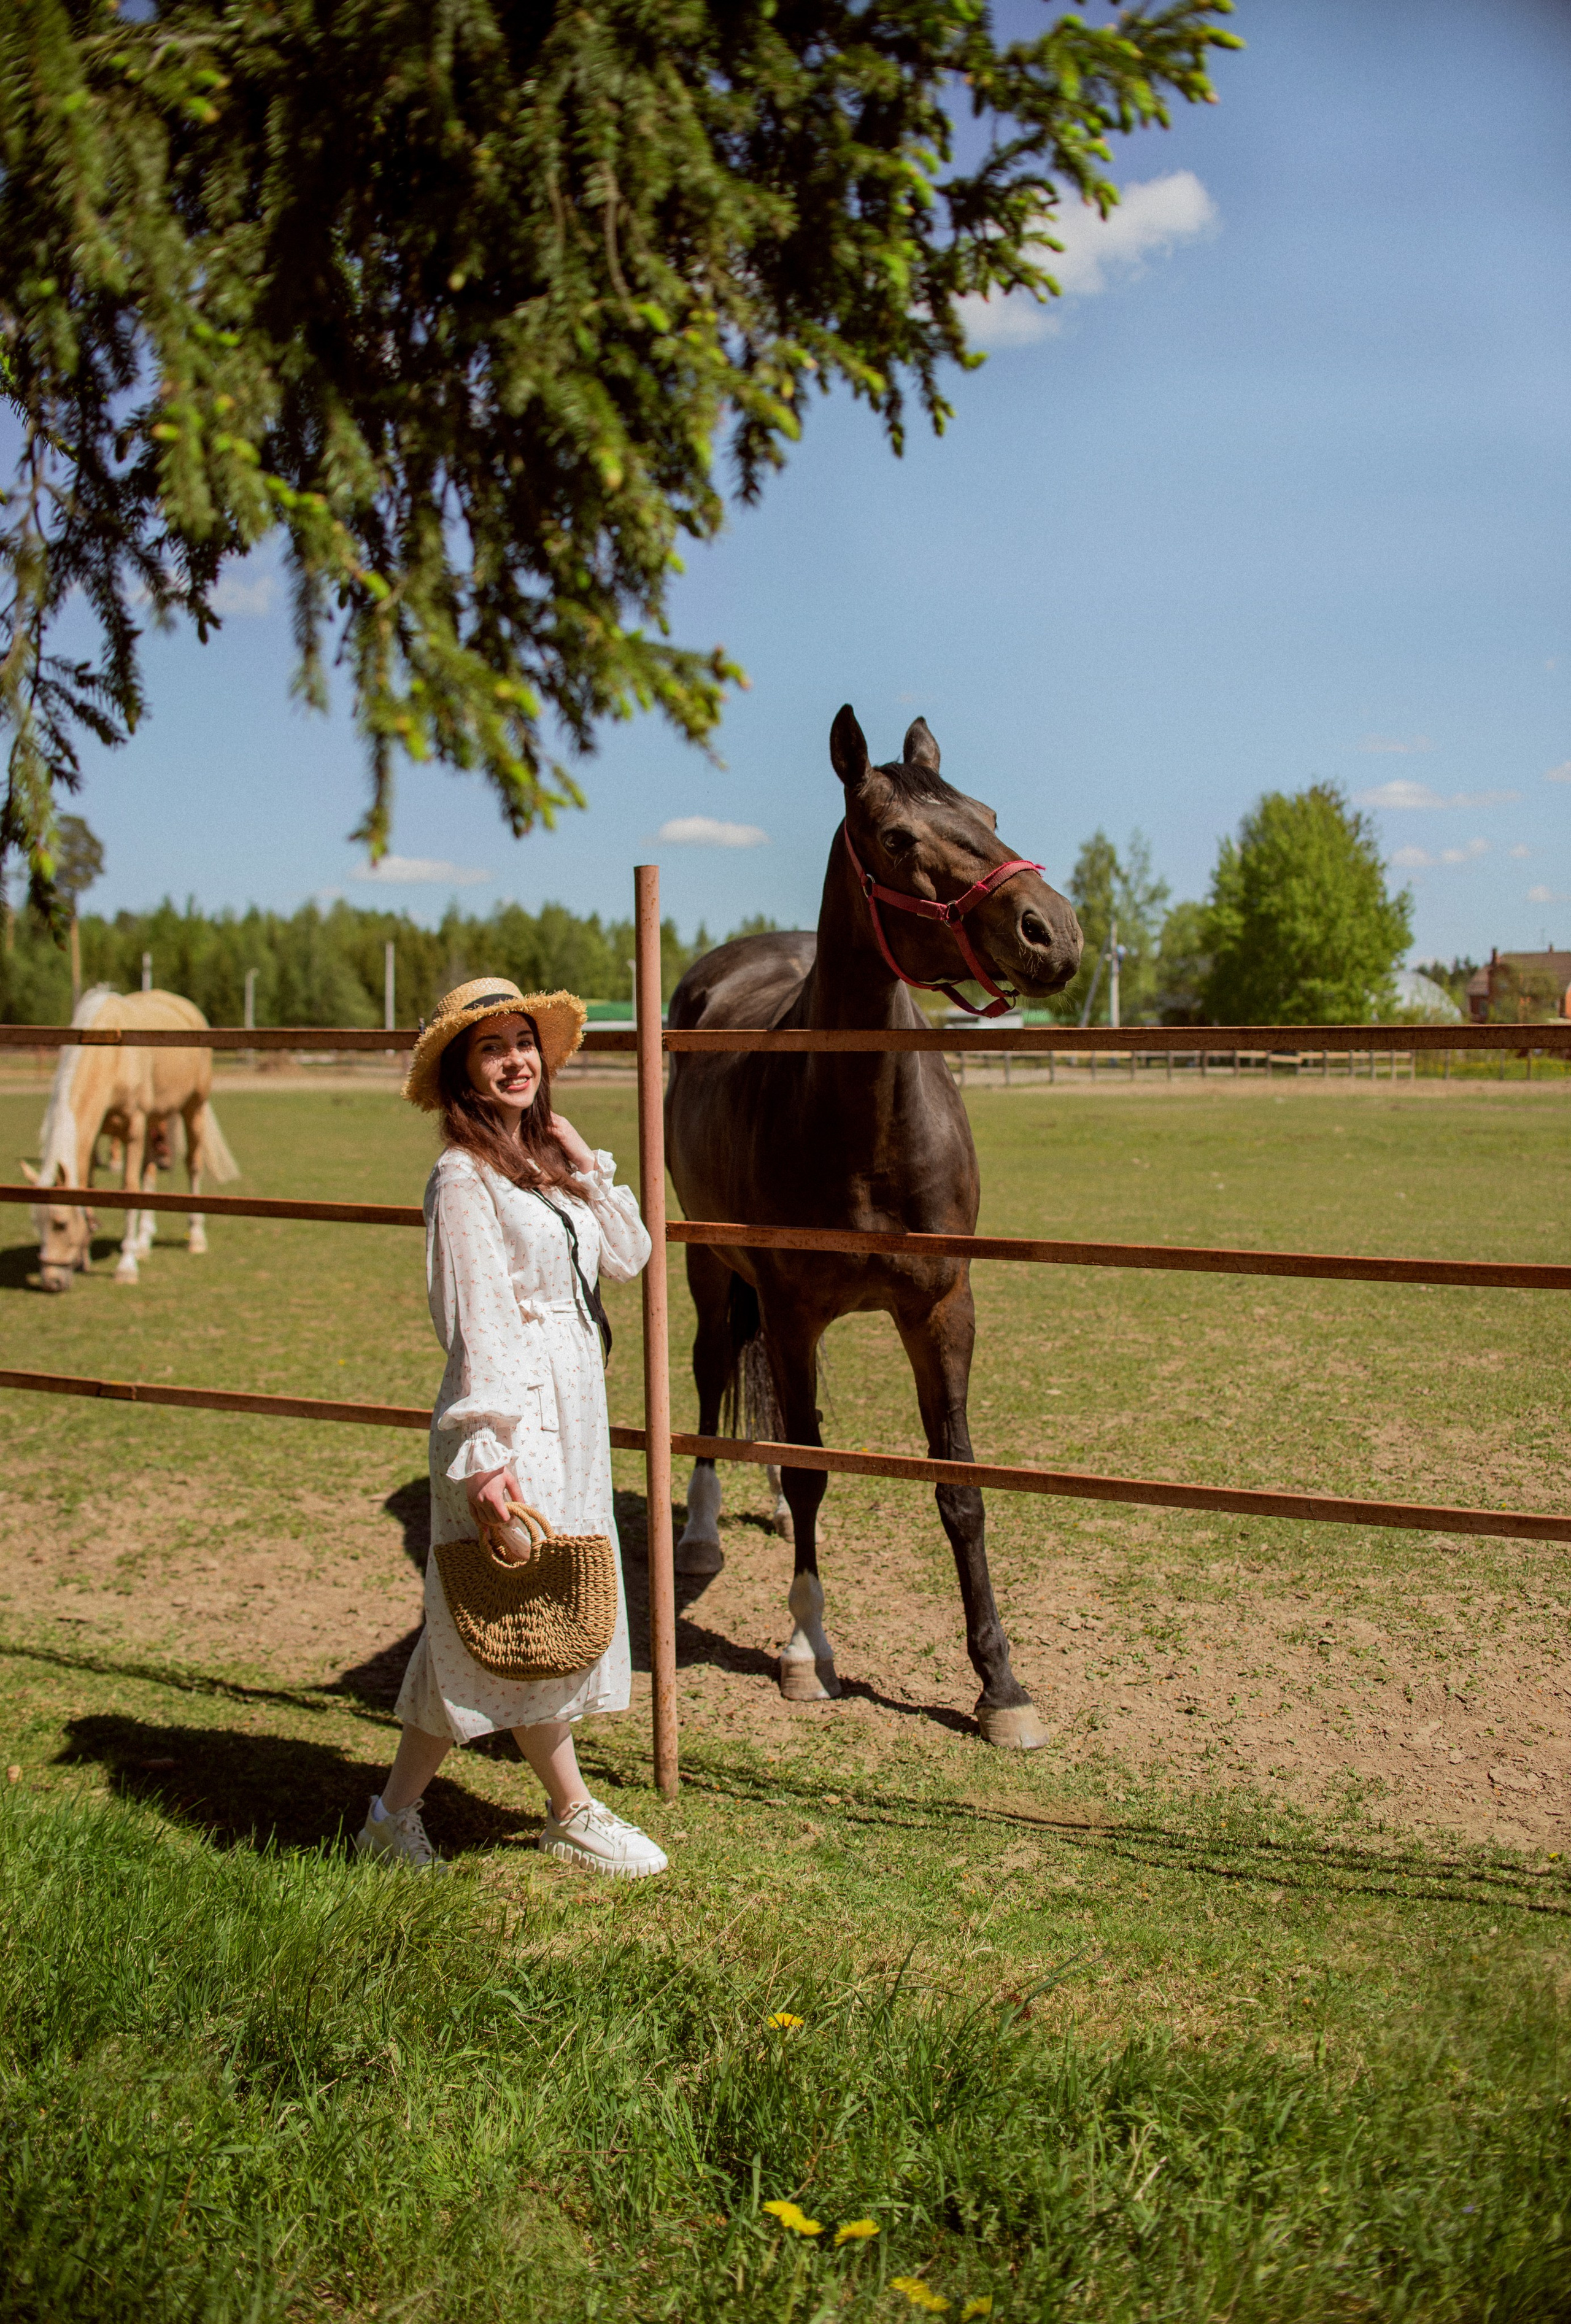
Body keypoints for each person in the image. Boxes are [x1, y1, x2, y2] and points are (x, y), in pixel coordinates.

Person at [355, 976, 666, 1878]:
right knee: (491, 1621)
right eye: (492, 1049)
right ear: (464, 1071)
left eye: (523, 1042)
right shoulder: (462, 1178)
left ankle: (506, 1811)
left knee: (535, 1615)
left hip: (574, 1416)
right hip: (515, 1417)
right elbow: (477, 1321)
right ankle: (516, 1811)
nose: (516, 1061)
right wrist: (488, 1452)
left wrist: (582, 1162)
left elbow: (629, 1255)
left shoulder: (540, 1167)